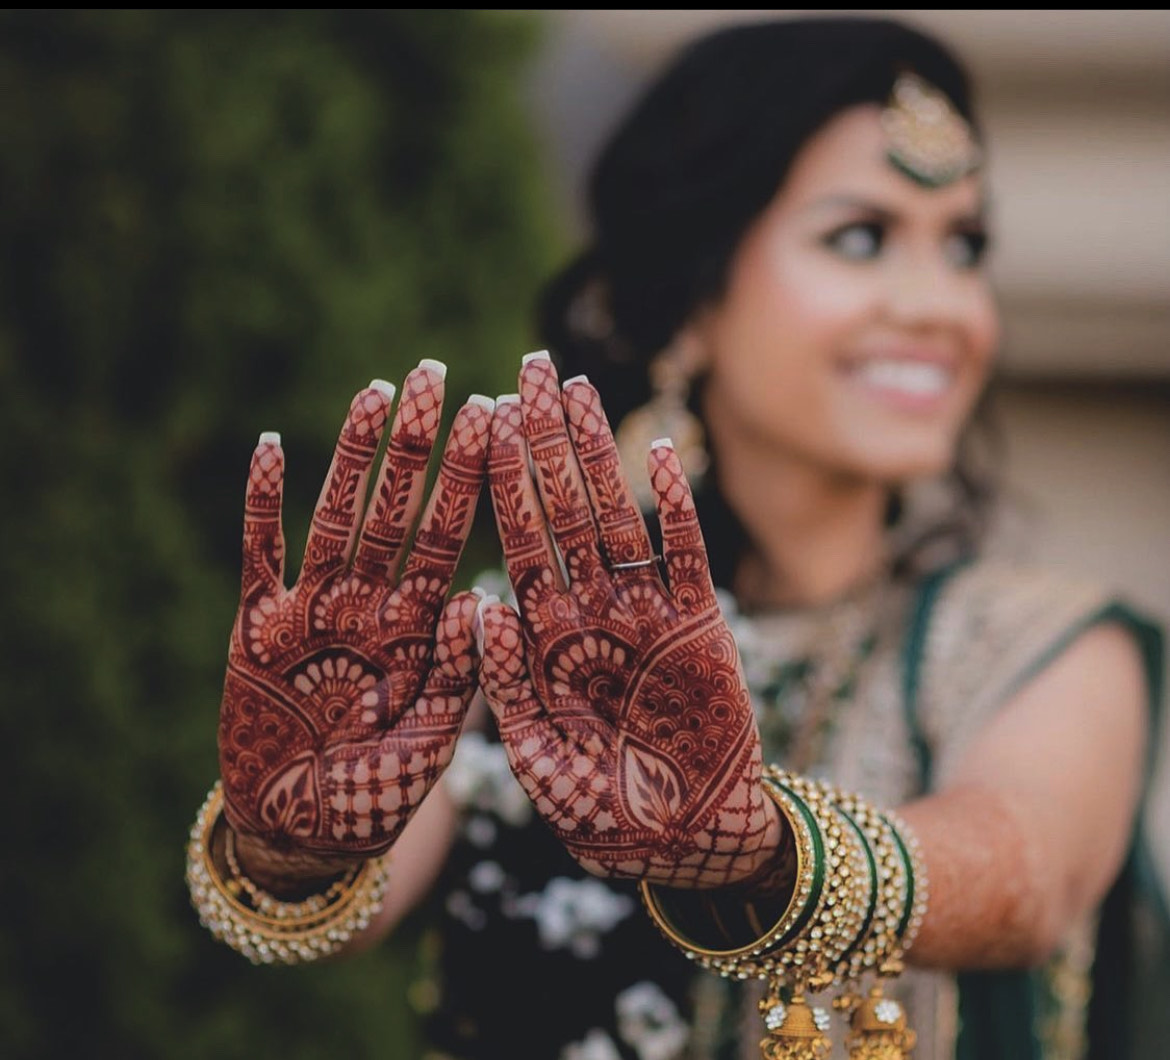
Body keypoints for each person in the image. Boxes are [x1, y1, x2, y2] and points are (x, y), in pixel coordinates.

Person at [185, 16, 1166, 1060]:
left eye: (964, 245)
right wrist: (283, 850)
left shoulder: (1039, 646)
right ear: (695, 300)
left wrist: (767, 853)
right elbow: (345, 908)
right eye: (862, 237)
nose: (944, 307)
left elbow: (1028, 871)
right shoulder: (525, 650)